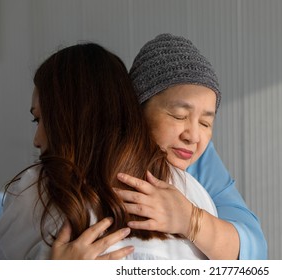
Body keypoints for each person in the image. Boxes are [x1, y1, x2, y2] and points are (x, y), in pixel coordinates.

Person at [0, 43, 217, 260]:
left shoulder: (39, 188)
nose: (37, 140)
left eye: (41, 120)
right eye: (179, 116)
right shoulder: (192, 192)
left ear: (71, 118)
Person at [52, 34, 267, 260]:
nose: (193, 136)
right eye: (178, 116)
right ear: (137, 110)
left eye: (206, 122)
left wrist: (191, 220)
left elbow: (254, 251)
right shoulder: (88, 156)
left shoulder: (200, 159)